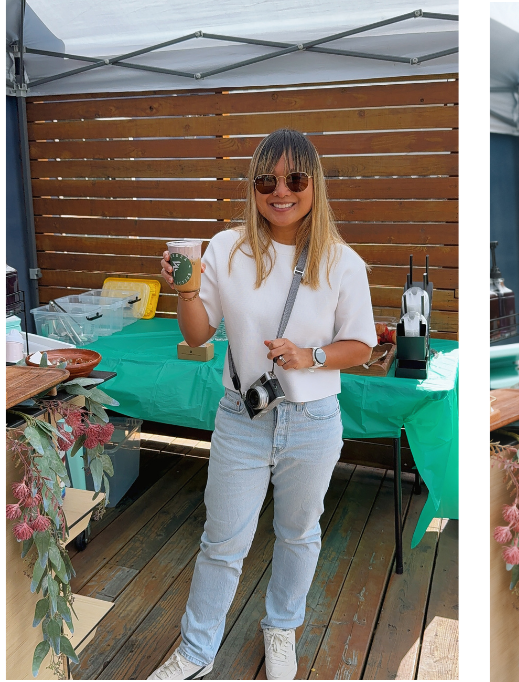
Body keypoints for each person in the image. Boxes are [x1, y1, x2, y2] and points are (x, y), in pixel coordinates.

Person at [147, 128, 376, 680]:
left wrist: (309, 355)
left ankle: (280, 629)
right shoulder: (227, 248)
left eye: (295, 179)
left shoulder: (343, 262)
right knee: (222, 541)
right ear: (252, 187)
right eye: (266, 180)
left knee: (299, 533)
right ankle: (197, 652)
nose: (281, 191)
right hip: (241, 418)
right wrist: (183, 290)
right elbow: (200, 335)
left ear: (314, 185)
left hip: (314, 419)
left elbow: (362, 345)